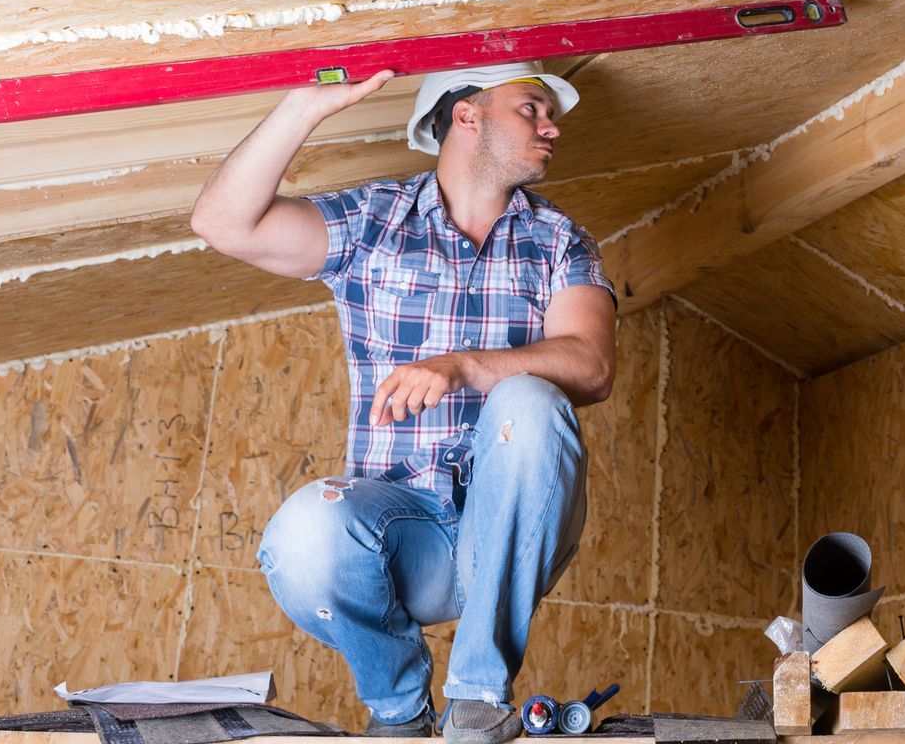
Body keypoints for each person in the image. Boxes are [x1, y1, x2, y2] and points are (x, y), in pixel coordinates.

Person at [190, 60, 616, 743]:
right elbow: (220, 222)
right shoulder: (374, 222)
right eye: (531, 108)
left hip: (507, 533)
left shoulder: (561, 242)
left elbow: (592, 367)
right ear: (467, 116)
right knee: (305, 532)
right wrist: (303, 108)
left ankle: (477, 701)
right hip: (398, 542)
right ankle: (400, 713)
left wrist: (464, 367)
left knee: (531, 403)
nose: (552, 126)